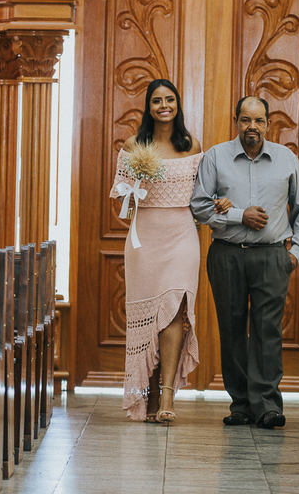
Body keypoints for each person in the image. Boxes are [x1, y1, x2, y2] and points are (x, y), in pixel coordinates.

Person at [190, 95, 299, 429]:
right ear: (236, 122)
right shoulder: (216, 157)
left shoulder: (286, 159)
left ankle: (268, 405)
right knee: (231, 330)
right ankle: (241, 405)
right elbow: (199, 205)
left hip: (272, 256)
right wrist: (238, 215)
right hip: (226, 255)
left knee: (266, 330)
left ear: (268, 124)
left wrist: (296, 252)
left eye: (259, 121)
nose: (252, 127)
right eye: (246, 120)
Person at [109, 78, 217, 423]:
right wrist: (133, 187)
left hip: (182, 236)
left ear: (177, 104)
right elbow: (121, 205)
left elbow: (202, 196)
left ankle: (167, 391)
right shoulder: (133, 145)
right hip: (145, 239)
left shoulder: (191, 145)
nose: (164, 106)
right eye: (157, 100)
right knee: (149, 319)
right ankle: (149, 394)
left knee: (174, 310)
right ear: (149, 106)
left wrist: (221, 204)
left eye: (169, 99)